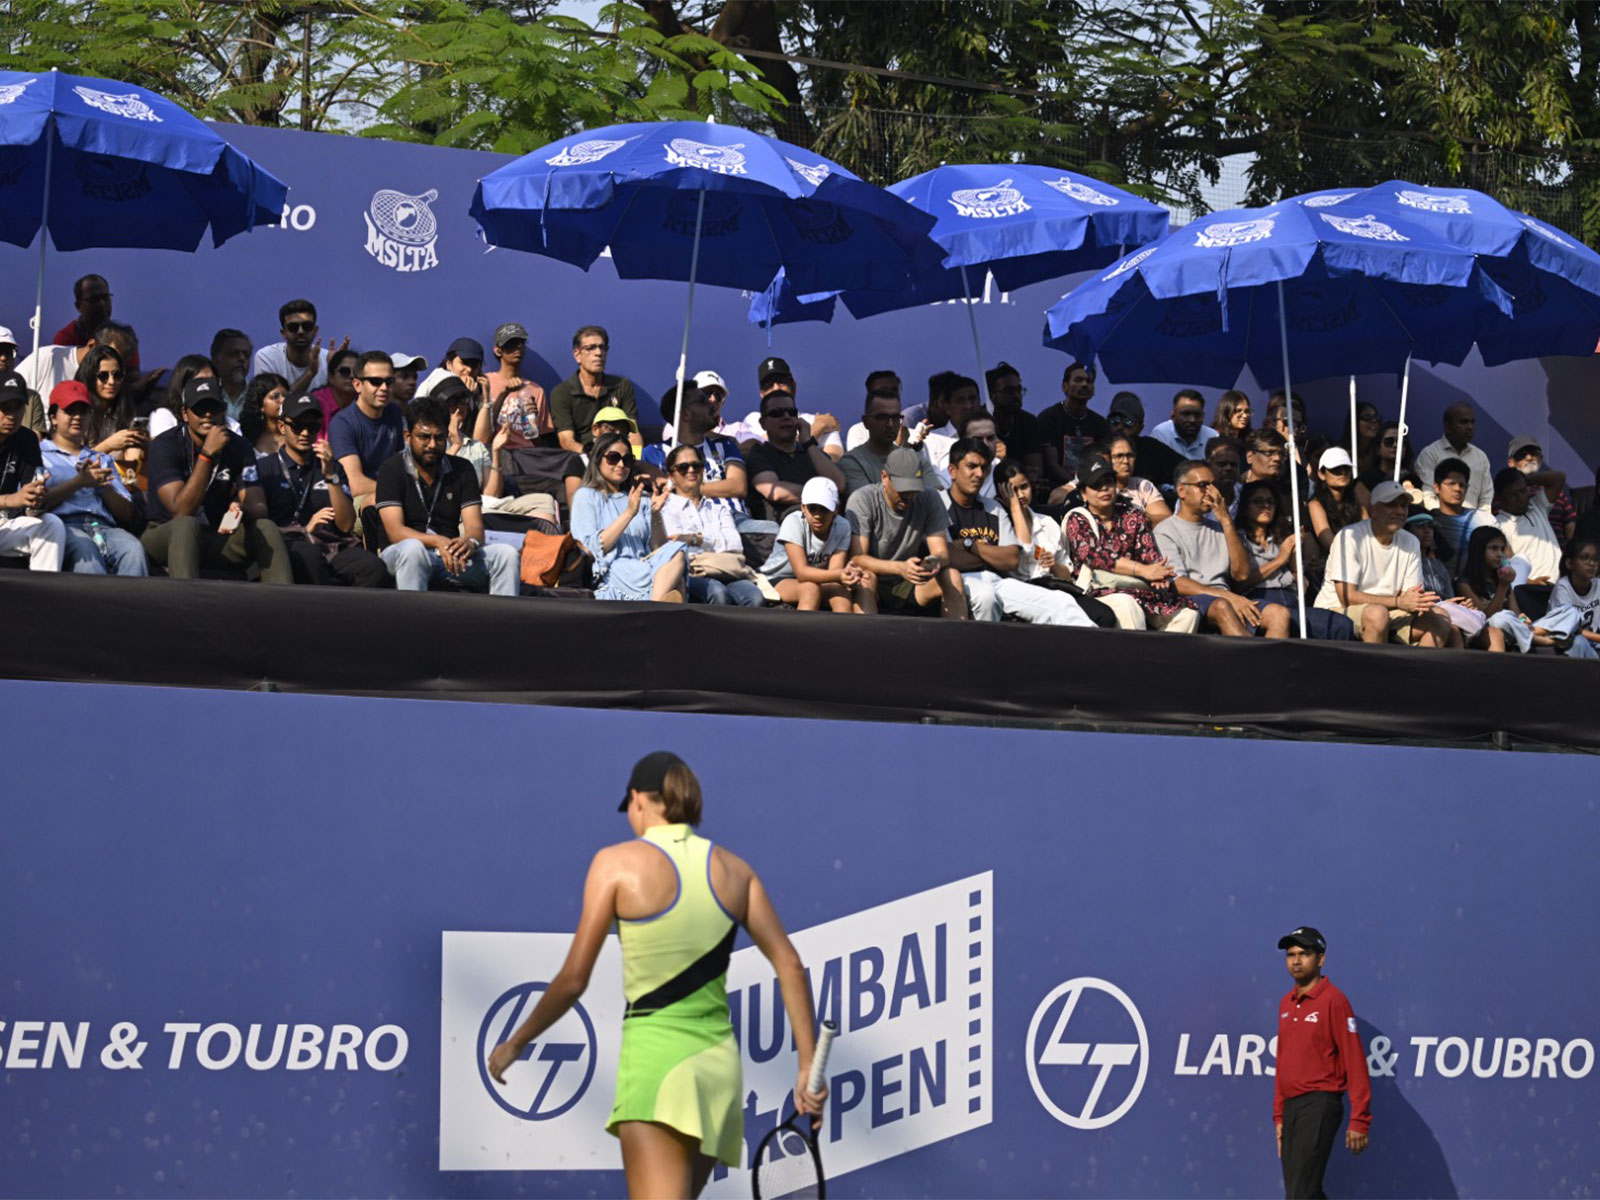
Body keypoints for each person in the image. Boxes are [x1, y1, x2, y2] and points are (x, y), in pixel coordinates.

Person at [487, 751, 826, 1199]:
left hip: (658, 1066)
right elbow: (791, 965)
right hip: (717, 1073)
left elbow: (573, 980)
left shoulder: (614, 864)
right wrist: (806, 1065)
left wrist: (516, 1042)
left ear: (638, 801)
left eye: (628, 808)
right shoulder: (737, 872)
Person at [140, 377, 293, 583]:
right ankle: (184, 610)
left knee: (266, 527)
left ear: (223, 410)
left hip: (217, 534)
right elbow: (180, 511)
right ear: (185, 413)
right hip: (164, 533)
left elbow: (259, 507)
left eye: (214, 407)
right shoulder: (164, 445)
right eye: (200, 408)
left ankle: (283, 608)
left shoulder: (239, 446)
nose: (208, 415)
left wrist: (240, 507)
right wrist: (207, 455)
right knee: (186, 526)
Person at [374, 395, 520, 596]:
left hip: (450, 556)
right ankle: (412, 624)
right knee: (413, 550)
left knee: (506, 555)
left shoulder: (462, 469)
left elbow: (475, 527)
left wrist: (469, 542)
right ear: (408, 436)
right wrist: (438, 541)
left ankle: (504, 625)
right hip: (402, 554)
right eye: (424, 437)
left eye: (439, 437)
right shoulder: (392, 469)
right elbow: (395, 532)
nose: (432, 445)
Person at [943, 436, 1096, 627]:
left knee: (1061, 602)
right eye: (972, 466)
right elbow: (946, 556)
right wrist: (992, 555)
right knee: (985, 596)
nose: (979, 473)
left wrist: (969, 546)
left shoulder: (992, 508)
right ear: (952, 470)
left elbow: (1011, 559)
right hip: (958, 580)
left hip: (997, 580)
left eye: (983, 468)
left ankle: (1099, 653)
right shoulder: (939, 502)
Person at [1273, 926, 1370, 1200]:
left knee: (1300, 1193)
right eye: (1291, 954)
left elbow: (1355, 1060)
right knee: (1304, 1192)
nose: (1296, 960)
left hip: (1319, 1104)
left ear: (1321, 959)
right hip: (1292, 1108)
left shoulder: (1334, 1001)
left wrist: (1360, 1119)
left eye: (1304, 953)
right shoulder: (1285, 1003)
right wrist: (1279, 1115)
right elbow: (1284, 1062)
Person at [259, 396, 388, 588]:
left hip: (331, 545)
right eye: (297, 426)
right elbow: (261, 525)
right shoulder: (265, 468)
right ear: (281, 427)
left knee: (372, 567)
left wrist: (330, 477)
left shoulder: (331, 467)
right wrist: (304, 531)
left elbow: (346, 525)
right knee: (309, 558)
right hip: (287, 544)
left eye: (312, 427)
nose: (304, 433)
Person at [1062, 455, 1198, 632]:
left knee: (1187, 613)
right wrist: (1144, 570)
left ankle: (1164, 659)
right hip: (1098, 591)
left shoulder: (1133, 515)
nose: (1104, 488)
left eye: (1108, 482)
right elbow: (1096, 556)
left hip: (1137, 589)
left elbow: (1149, 553)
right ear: (1083, 493)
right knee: (1127, 605)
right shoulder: (1077, 518)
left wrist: (1159, 574)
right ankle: (1135, 659)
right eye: (1096, 485)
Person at [1157, 460, 1286, 637]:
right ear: (1181, 491)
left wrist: (1226, 520)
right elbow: (1178, 583)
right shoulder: (1165, 530)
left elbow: (1241, 574)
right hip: (1189, 601)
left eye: (1213, 485)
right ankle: (1255, 661)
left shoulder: (1221, 528)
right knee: (1222, 606)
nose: (1211, 492)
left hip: (1224, 597)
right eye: (1203, 486)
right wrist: (1227, 597)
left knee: (1279, 614)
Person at [1313, 480, 1450, 646]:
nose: (1400, 511)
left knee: (1440, 618)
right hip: (1336, 610)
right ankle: (1377, 671)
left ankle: (1417, 671)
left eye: (1403, 506)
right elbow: (1347, 597)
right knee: (1377, 614)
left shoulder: (1411, 541)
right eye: (1391, 505)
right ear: (1373, 510)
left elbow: (1411, 596)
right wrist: (1399, 602)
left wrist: (1412, 602)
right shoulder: (1349, 537)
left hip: (1388, 610)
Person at [38, 381, 146, 576]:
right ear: (53, 417)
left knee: (133, 549)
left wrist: (103, 488)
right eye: (70, 411)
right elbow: (37, 505)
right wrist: (78, 482)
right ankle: (92, 607)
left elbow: (127, 514)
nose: (78, 417)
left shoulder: (102, 458)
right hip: (64, 526)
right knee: (86, 553)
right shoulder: (40, 455)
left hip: (104, 527)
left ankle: (133, 606)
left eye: (84, 411)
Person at [844, 446, 965, 618]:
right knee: (865, 577)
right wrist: (900, 568)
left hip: (911, 583)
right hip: (875, 581)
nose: (909, 496)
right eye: (903, 489)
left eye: (914, 489)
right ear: (885, 477)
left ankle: (957, 640)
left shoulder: (929, 498)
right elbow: (857, 558)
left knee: (952, 576)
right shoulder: (863, 499)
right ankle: (867, 640)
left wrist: (930, 563)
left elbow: (942, 553)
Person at [571, 432, 687, 603]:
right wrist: (629, 513)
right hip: (614, 570)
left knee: (676, 551)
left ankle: (654, 606)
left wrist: (656, 514)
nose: (620, 464)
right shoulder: (586, 495)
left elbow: (656, 547)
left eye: (626, 460)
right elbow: (591, 547)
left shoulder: (639, 499)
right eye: (613, 458)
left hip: (645, 565)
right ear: (597, 461)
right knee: (677, 585)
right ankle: (656, 607)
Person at [659, 442, 765, 607]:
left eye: (697, 465)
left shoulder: (719, 509)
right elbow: (675, 545)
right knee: (717, 593)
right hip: (691, 573)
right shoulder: (666, 509)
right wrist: (715, 541)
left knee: (755, 597)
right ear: (671, 476)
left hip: (726, 570)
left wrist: (697, 539)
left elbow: (735, 544)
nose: (691, 470)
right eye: (683, 467)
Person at [643, 383, 751, 518]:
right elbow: (630, 466)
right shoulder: (655, 452)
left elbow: (738, 486)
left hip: (736, 521)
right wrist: (644, 467)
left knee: (770, 530)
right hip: (686, 525)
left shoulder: (725, 444)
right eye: (703, 400)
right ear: (686, 415)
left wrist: (681, 488)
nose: (712, 403)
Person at [744, 387, 846, 524]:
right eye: (777, 413)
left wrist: (809, 443)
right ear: (763, 423)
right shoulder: (758, 453)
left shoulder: (811, 452)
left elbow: (838, 484)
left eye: (792, 412)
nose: (786, 417)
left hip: (825, 527)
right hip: (783, 531)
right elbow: (775, 491)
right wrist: (823, 494)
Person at [759, 476, 857, 612]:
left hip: (816, 580)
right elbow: (802, 573)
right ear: (803, 508)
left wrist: (847, 575)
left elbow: (834, 573)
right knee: (810, 589)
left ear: (835, 509)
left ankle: (842, 632)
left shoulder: (843, 526)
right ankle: (802, 633)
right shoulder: (793, 522)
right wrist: (840, 574)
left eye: (824, 509)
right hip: (776, 579)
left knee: (840, 592)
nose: (818, 515)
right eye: (813, 508)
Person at [0, 373, 66, 571]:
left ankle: (41, 598)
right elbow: (13, 500)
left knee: (51, 524)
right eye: (4, 408)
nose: (11, 415)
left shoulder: (26, 439)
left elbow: (29, 499)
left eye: (17, 407)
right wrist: (9, 500)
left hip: (4, 523)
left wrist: (35, 500)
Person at [330, 350, 406, 510]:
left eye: (389, 381)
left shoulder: (395, 412)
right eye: (376, 381)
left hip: (393, 495)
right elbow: (356, 484)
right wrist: (403, 491)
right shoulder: (342, 423)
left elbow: (401, 463)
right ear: (357, 385)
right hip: (357, 502)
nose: (384, 387)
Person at [551, 325, 641, 454]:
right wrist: (594, 457)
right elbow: (566, 441)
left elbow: (634, 434)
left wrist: (634, 460)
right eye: (590, 348)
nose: (598, 353)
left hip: (619, 457)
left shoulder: (622, 386)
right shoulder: (562, 392)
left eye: (602, 347)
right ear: (577, 355)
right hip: (583, 456)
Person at [1491, 465, 1564, 617]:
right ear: (1500, 498)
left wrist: (1525, 480)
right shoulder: (1498, 524)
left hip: (1563, 586)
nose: (1521, 497)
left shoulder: (1537, 506)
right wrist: (1530, 581)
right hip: (1533, 592)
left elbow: (1559, 477)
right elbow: (1505, 567)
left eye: (1523, 491)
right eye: (1513, 495)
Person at [1456, 526, 1542, 653]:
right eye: (1493, 548)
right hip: (1486, 631)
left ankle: (1532, 632)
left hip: (1512, 628)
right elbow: (1485, 617)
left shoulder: (1501, 579)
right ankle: (1537, 637)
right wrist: (1503, 586)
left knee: (1568, 612)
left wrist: (1523, 620)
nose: (1499, 554)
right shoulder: (1464, 583)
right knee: (1500, 618)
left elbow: (1517, 615)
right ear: (1479, 550)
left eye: (1502, 549)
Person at [1038, 361, 1108, 487]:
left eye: (1089, 381)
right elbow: (1051, 465)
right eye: (1078, 380)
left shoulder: (1100, 424)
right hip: (1058, 487)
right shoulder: (1049, 418)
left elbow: (1103, 462)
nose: (1084, 384)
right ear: (1065, 386)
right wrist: (1077, 486)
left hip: (1092, 488)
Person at [480, 322, 550, 447]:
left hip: (526, 456)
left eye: (521, 343)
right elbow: (481, 438)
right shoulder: (486, 382)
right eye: (511, 344)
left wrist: (531, 424)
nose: (518, 348)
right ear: (498, 350)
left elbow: (541, 443)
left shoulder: (536, 390)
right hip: (494, 454)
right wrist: (503, 394)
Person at [1415, 402, 1493, 511]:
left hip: (1475, 524)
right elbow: (1428, 495)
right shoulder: (1429, 454)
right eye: (1463, 422)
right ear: (1447, 426)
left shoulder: (1480, 457)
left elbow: (1487, 496)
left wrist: (1479, 521)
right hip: (1440, 523)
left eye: (1472, 422)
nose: (1470, 427)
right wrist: (1447, 520)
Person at [252, 299, 337, 396]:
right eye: (293, 327)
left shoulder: (328, 359)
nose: (300, 331)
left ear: (315, 331)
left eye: (307, 326)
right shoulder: (267, 357)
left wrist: (340, 371)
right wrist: (310, 373)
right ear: (283, 333)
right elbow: (272, 404)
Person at [1106, 391, 1183, 495]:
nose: (1119, 426)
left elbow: (1186, 469)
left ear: (1140, 428)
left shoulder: (1152, 449)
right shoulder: (1098, 448)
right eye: (1114, 420)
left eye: (1128, 422)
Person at [1508, 434, 1578, 547]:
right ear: (1511, 462)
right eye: (1522, 454)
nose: (1529, 458)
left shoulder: (1559, 495)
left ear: (1541, 459)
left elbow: (1572, 537)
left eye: (1534, 452)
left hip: (1559, 557)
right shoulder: (1505, 496)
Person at [985, 361, 1044, 483]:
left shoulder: (1028, 421)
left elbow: (1036, 468)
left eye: (1018, 390)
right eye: (1008, 391)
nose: (1016, 396)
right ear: (992, 395)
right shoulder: (981, 421)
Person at [1428, 458, 1484, 575]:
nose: (1458, 489)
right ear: (1437, 487)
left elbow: (1503, 555)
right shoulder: (1427, 521)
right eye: (1451, 484)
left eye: (1462, 485)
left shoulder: (1483, 519)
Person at [1307, 448, 1366, 553]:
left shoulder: (1356, 503)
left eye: (1346, 468)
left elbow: (1369, 533)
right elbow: (1329, 542)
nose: (1342, 472)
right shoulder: (1315, 504)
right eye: (1336, 469)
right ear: (1321, 474)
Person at [1104, 433, 1172, 524]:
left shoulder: (1142, 485)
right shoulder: (1098, 488)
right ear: (1106, 458)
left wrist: (1138, 518)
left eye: (1130, 456)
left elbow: (1167, 520)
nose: (1126, 461)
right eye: (1119, 456)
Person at [146, 354, 216, 440]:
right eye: (199, 381)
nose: (207, 386)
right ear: (183, 384)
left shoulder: (225, 420)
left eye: (212, 380)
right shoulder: (163, 415)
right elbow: (164, 451)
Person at [1550, 536, 1600, 655]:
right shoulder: (1563, 588)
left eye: (1595, 559)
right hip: (1570, 646)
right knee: (1579, 642)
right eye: (1585, 558)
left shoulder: (1598, 585)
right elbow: (1568, 630)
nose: (1592, 563)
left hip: (1596, 647)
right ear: (1569, 563)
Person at [1149, 388, 1218, 461]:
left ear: (1203, 416)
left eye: (1197, 414)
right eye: (1186, 414)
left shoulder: (1212, 436)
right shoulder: (1162, 433)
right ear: (1173, 416)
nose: (1192, 420)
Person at [239, 373, 289, 456]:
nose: (283, 400)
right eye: (275, 396)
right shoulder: (246, 437)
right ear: (260, 404)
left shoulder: (295, 433)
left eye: (286, 396)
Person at [310, 347, 361, 428]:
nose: (351, 376)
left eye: (356, 372)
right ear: (331, 377)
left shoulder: (366, 402)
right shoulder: (316, 402)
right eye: (344, 371)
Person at [210, 328, 253, 420]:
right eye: (234, 354)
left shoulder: (257, 394)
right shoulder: (206, 393)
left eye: (246, 355)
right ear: (215, 359)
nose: (242, 358)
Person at [1206, 435, 1243, 510]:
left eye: (1233, 464)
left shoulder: (1246, 496)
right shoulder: (1195, 497)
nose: (1228, 468)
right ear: (1208, 465)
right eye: (1222, 464)